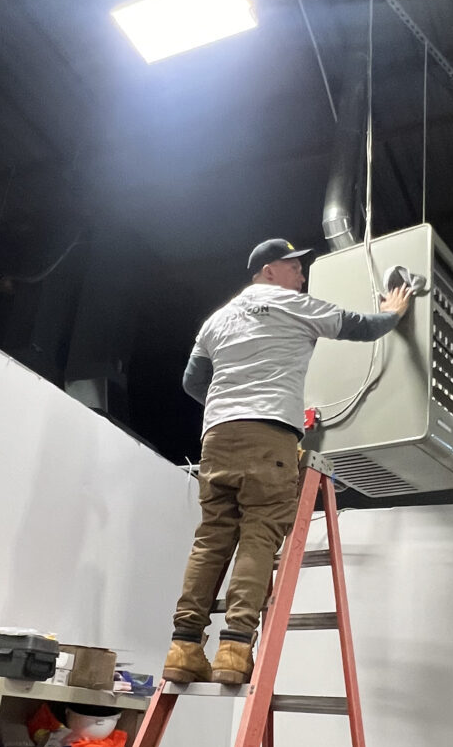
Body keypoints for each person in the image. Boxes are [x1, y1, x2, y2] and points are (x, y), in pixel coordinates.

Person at [165, 238, 411, 687]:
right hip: (269, 436)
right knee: (259, 533)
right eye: (294, 267)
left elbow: (191, 381)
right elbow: (361, 327)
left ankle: (183, 647)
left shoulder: (216, 320)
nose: (301, 275)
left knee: (212, 537)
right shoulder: (292, 305)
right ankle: (235, 647)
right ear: (269, 271)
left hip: (217, 437)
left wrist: (230, 406)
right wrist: (394, 312)